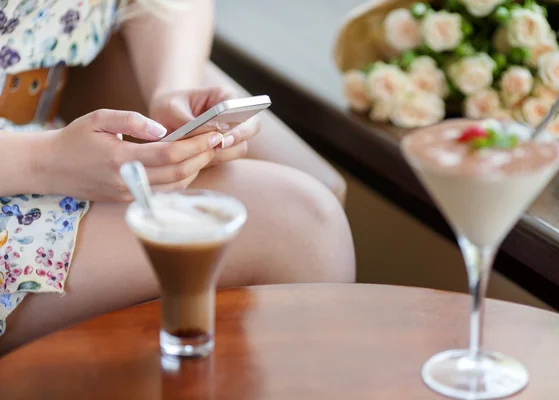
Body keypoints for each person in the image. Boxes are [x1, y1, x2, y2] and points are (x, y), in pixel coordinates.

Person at [0, 0, 355, 354]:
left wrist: (171, 88)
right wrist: (45, 161)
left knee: (319, 196)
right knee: (301, 228)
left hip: (43, 120)